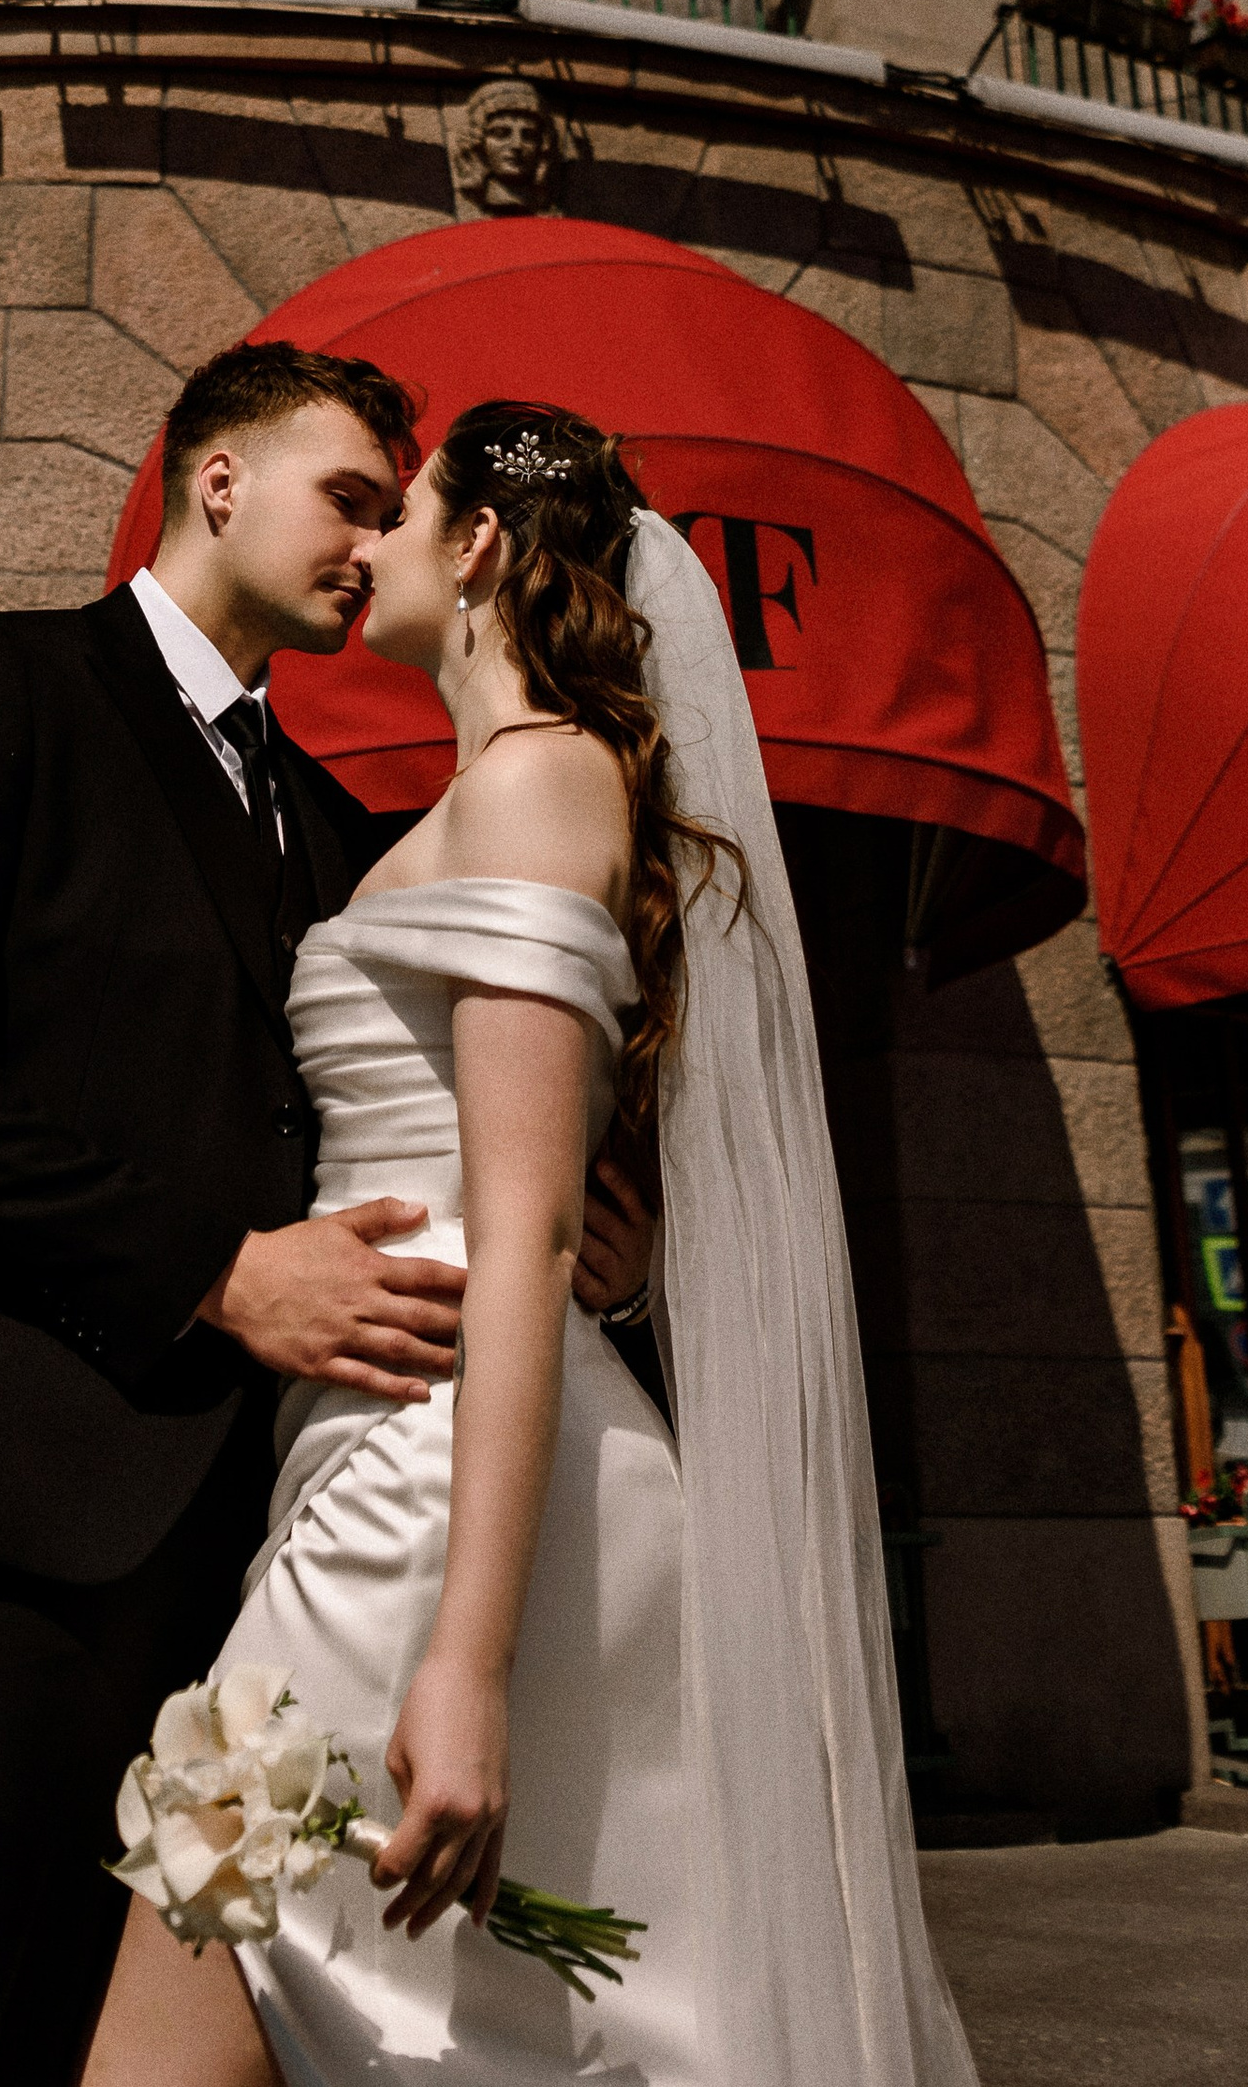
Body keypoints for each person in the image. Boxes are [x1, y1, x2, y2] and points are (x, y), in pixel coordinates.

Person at [82, 401, 981, 2087]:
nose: (366, 550)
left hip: (437, 1488)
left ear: (481, 546)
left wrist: (469, 1666)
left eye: (400, 512)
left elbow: (528, 1219)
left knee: (179, 2006)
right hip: (398, 1448)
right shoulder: (484, 796)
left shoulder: (543, 777)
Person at [0, 344, 657, 2087]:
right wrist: (212, 1271)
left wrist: (580, 1238)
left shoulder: (345, 830)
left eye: (388, 512)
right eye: (347, 494)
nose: (369, 539)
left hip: (257, 1562)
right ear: (215, 482)